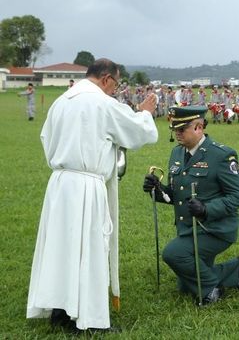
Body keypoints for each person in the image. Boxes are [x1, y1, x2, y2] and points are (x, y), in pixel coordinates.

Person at [27, 59, 158, 333]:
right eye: (117, 84)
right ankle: (87, 319)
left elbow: (45, 138)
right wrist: (145, 113)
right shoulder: (100, 102)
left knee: (61, 248)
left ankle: (60, 310)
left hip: (60, 183)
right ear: (107, 79)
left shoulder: (62, 101)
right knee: (89, 248)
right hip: (86, 185)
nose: (114, 90)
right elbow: (136, 132)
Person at [143, 106, 239, 304]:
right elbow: (177, 195)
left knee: (173, 254)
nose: (177, 133)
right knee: (186, 285)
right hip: (187, 229)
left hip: (214, 229)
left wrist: (206, 209)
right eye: (174, 129)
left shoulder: (222, 155)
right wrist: (157, 190)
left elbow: (238, 196)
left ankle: (211, 287)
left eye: (181, 129)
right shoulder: (177, 153)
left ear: (198, 127)